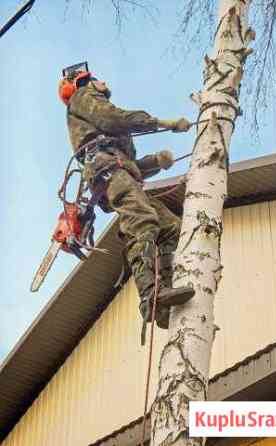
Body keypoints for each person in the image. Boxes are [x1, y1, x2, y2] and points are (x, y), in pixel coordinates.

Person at [58, 64, 195, 330]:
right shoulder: (83, 96)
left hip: (117, 171)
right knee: (141, 218)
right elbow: (114, 118)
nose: (104, 82)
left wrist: (156, 161)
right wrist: (159, 122)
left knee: (169, 227)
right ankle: (149, 296)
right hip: (106, 171)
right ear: (86, 81)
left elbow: (129, 165)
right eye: (98, 79)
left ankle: (163, 295)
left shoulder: (108, 133)